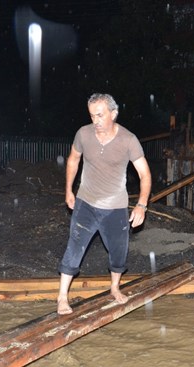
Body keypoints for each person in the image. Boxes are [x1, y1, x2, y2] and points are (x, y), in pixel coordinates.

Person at [57, 93, 152, 315]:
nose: (95, 120)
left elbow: (145, 174)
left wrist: (141, 205)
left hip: (115, 207)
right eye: (92, 115)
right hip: (86, 203)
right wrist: (68, 190)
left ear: (114, 113)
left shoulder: (128, 140)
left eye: (100, 115)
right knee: (74, 247)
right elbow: (73, 159)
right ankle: (62, 297)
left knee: (119, 252)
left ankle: (115, 287)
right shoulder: (83, 133)